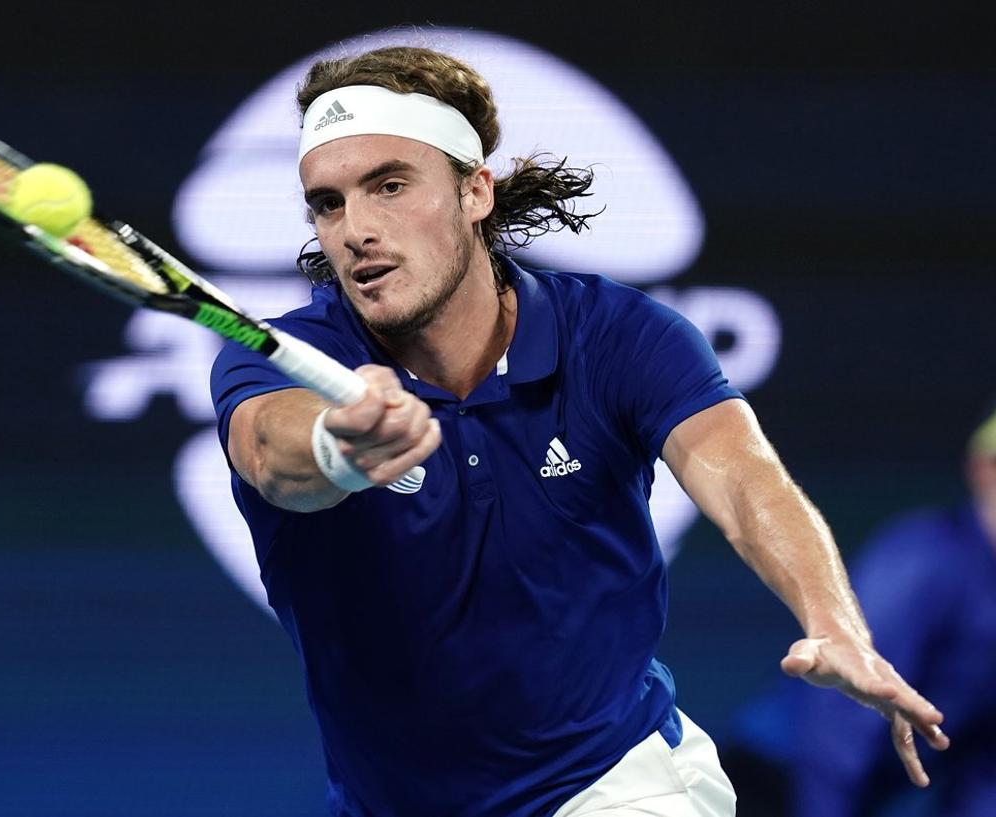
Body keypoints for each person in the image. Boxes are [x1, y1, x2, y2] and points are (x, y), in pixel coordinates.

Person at [209, 46, 949, 816]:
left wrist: (836, 625)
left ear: (474, 192)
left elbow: (743, 475)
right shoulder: (277, 358)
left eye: (390, 186)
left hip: (618, 784)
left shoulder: (621, 334)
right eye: (328, 203)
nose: (356, 228)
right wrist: (340, 442)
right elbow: (270, 449)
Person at [728, 403, 996, 817]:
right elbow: (841, 717)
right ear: (983, 469)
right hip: (776, 784)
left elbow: (984, 765)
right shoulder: (924, 556)